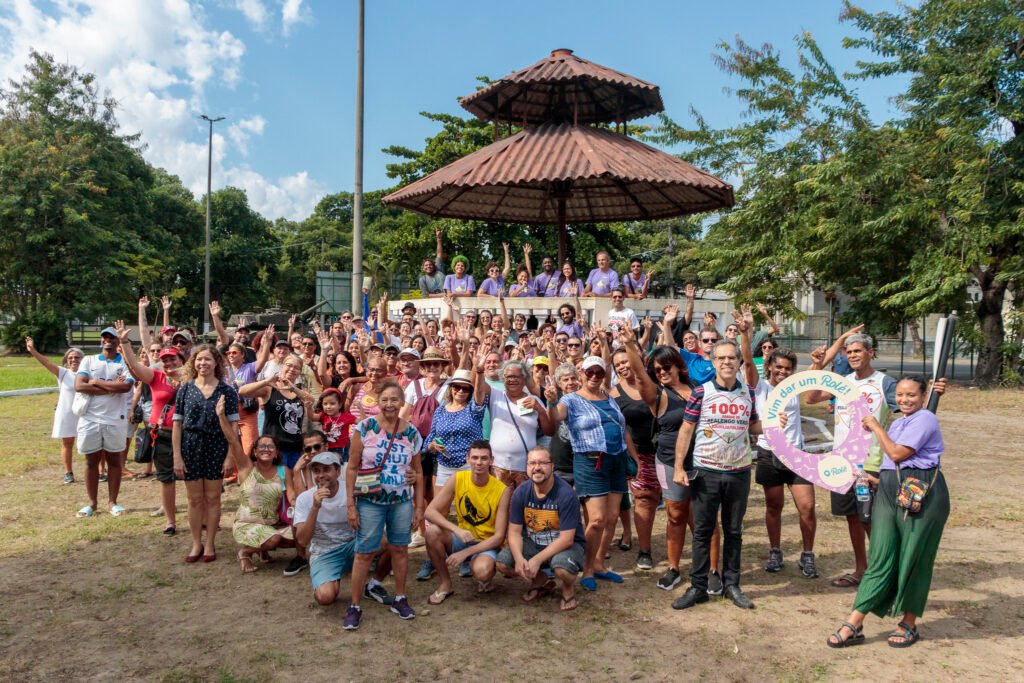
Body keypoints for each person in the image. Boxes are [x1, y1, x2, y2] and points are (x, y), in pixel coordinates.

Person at [826, 376, 949, 649]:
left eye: (911, 396)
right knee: (881, 556)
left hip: (923, 496)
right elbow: (893, 466)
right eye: (901, 395)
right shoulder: (900, 421)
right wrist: (879, 482)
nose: (905, 400)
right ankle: (855, 622)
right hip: (890, 492)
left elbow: (896, 454)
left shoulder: (926, 419)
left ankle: (909, 622)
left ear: (923, 396)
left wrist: (875, 426)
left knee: (914, 557)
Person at [671, 334, 761, 611]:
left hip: (739, 471)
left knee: (734, 531)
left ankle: (731, 584)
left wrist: (775, 422)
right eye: (720, 357)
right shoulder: (701, 392)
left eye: (731, 358)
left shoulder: (749, 392)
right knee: (702, 532)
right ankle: (698, 586)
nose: (726, 362)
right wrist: (678, 467)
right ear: (712, 360)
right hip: (706, 471)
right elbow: (686, 430)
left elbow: (754, 426)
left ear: (738, 361)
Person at [805, 331, 897, 589]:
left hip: (872, 464)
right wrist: (818, 365)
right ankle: (861, 569)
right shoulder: (842, 382)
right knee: (853, 518)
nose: (853, 355)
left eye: (858, 351)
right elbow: (811, 398)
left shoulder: (885, 383)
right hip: (843, 464)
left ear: (871, 353)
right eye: (849, 352)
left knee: (873, 521)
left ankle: (884, 574)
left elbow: (906, 411)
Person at [344, 382, 424, 630]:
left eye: (394, 400)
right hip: (370, 501)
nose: (390, 404)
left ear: (402, 403)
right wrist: (350, 505)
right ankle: (355, 605)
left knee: (400, 549)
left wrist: (419, 507)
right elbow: (352, 467)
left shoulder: (412, 433)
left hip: (401, 501)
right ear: (378, 401)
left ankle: (400, 597)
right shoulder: (365, 428)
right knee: (364, 553)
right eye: (385, 399)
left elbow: (418, 471)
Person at [546, 354, 628, 591]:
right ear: (582, 374)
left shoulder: (609, 396)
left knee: (612, 518)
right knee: (597, 520)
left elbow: (622, 429)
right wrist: (551, 403)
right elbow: (557, 417)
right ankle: (588, 568)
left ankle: (600, 564)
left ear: (604, 375)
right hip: (590, 462)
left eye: (598, 373)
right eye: (589, 372)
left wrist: (632, 457)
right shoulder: (571, 399)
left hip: (617, 460)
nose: (593, 376)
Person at [293, 449, 395, 607]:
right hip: (324, 553)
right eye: (316, 471)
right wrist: (315, 507)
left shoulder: (351, 491)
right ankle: (331, 576)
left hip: (353, 545)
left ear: (338, 471)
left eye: (326, 469)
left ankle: (374, 585)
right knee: (325, 598)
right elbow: (302, 540)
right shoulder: (305, 499)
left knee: (390, 543)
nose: (321, 475)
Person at [496, 446, 587, 612]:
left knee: (561, 569)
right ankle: (540, 579)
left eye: (542, 463)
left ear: (552, 466)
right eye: (532, 463)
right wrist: (518, 559)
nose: (537, 467)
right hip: (533, 541)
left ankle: (567, 589)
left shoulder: (565, 494)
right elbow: (514, 532)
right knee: (502, 564)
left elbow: (567, 539)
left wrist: (536, 560)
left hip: (564, 545)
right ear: (527, 467)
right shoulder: (521, 492)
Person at [114, 324, 185, 536]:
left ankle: (197, 517)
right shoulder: (156, 377)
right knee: (166, 479)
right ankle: (170, 521)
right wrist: (125, 343)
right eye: (164, 360)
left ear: (181, 360)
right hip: (161, 433)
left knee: (192, 479)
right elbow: (135, 365)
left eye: (173, 359)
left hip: (187, 435)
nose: (169, 363)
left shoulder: (192, 379)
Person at [172, 344, 240, 562]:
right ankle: (196, 543)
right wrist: (177, 456)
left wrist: (230, 456)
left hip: (216, 447)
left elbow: (234, 427)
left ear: (216, 363)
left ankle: (210, 544)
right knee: (194, 500)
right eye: (199, 359)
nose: (203, 363)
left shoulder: (227, 391)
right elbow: (177, 426)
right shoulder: (185, 389)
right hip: (190, 447)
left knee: (212, 498)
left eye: (208, 359)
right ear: (193, 362)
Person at [424, 441, 512, 603]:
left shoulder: (502, 490)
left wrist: (465, 553)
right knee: (431, 532)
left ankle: (479, 570)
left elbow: (499, 537)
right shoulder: (458, 479)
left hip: (486, 543)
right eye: (475, 458)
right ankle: (445, 583)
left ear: (491, 460)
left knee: (482, 571)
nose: (479, 463)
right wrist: (456, 530)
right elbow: (429, 511)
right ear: (467, 459)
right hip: (462, 537)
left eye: (484, 458)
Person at [608, 327, 661, 571]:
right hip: (638, 454)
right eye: (617, 364)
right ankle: (645, 550)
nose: (622, 366)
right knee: (643, 501)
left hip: (666, 451)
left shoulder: (656, 383)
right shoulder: (612, 394)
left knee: (678, 504)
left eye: (625, 360)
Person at [73, 326, 134, 518]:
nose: (108, 340)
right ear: (101, 341)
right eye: (105, 337)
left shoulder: (124, 362)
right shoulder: (88, 360)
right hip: (89, 418)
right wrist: (110, 387)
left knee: (114, 461)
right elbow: (79, 385)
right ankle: (92, 503)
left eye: (112, 338)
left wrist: (95, 382)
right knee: (91, 460)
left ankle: (113, 502)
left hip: (115, 420)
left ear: (118, 342)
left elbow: (125, 386)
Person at [476, 359, 553, 488]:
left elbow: (550, 431)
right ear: (503, 379)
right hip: (498, 467)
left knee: (522, 506)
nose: (512, 380)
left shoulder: (534, 400)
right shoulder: (496, 395)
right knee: (499, 506)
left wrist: (540, 410)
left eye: (516, 377)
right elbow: (478, 390)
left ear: (524, 379)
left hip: (525, 468)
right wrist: (479, 370)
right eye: (508, 377)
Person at [229, 433, 297, 573]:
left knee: (299, 536)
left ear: (277, 452)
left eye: (271, 446)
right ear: (255, 451)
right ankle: (245, 552)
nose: (266, 449)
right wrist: (222, 416)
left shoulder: (283, 471)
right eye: (262, 446)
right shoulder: (247, 468)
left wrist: (296, 507)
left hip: (272, 524)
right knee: (274, 539)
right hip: (247, 524)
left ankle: (262, 549)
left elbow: (291, 495)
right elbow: (233, 441)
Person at [25, 337, 82, 485]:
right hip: (67, 413)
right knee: (67, 443)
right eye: (70, 358)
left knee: (93, 443)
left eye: (77, 357)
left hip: (85, 413)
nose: (74, 360)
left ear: (83, 359)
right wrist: (32, 350)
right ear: (66, 360)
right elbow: (46, 363)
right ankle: (68, 472)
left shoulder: (89, 373)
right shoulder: (62, 373)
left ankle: (100, 471)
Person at [419, 227, 447, 297]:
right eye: (426, 265)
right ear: (422, 268)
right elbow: (425, 295)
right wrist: (441, 295)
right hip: (434, 304)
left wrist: (439, 239)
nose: (428, 266)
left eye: (430, 265)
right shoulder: (423, 279)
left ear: (434, 266)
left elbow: (439, 254)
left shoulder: (439, 271)